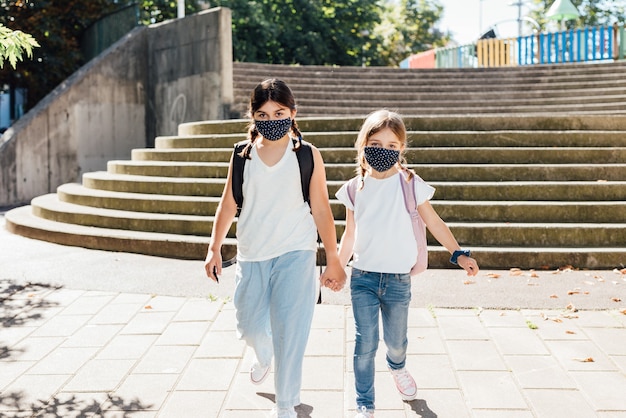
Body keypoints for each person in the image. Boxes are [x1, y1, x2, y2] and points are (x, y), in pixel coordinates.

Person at [204, 78, 346, 418]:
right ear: (253, 117)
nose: (271, 120)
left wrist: (334, 258)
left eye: (279, 112)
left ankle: (286, 405)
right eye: (263, 115)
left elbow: (322, 208)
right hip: (252, 254)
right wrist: (214, 248)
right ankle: (262, 351)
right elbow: (227, 204)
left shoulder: (308, 155)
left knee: (290, 331)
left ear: (293, 112)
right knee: (250, 325)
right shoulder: (242, 155)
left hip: (296, 252)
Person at [327, 109, 479, 418]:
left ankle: (397, 368)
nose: (384, 150)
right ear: (363, 145)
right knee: (365, 342)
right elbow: (350, 233)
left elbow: (434, 222)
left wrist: (458, 253)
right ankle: (365, 404)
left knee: (395, 343)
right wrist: (337, 267)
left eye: (392, 145)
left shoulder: (409, 182)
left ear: (402, 150)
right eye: (376, 143)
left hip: (397, 280)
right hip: (364, 278)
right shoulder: (355, 188)